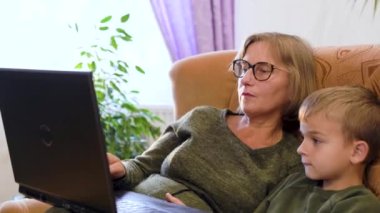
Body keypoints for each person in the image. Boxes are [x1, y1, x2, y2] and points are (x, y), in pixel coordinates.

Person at [0, 32, 317, 213]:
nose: (245, 78)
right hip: (128, 204)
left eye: (262, 69)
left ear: (296, 82)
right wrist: (120, 169)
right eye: (243, 67)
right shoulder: (203, 117)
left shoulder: (293, 157)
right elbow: (142, 165)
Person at [253, 86, 380, 212]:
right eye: (302, 138)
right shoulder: (292, 183)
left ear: (357, 152)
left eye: (316, 140)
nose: (300, 149)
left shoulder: (362, 206)